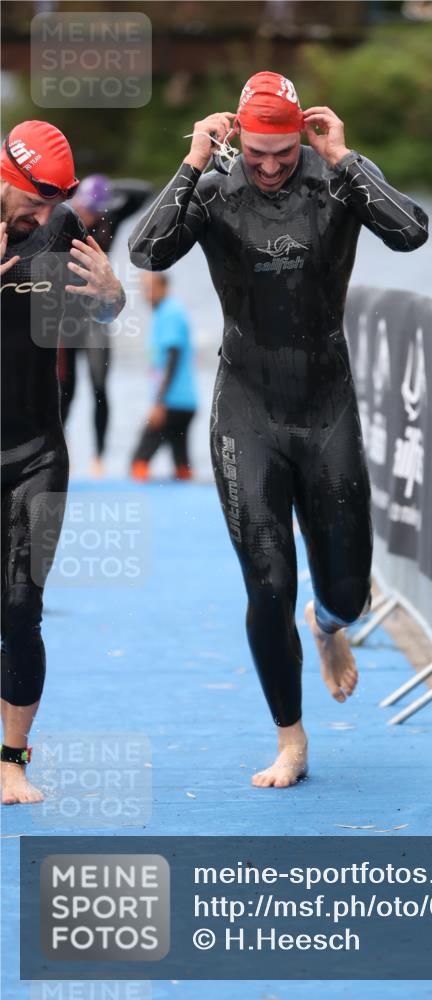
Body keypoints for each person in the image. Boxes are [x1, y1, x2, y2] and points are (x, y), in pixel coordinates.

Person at [129, 71, 429, 788]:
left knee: (349, 592)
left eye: (282, 153)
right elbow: (146, 253)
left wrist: (347, 158)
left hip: (326, 407)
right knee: (265, 586)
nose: (267, 167)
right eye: (255, 152)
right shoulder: (211, 189)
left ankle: (326, 629)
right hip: (248, 411)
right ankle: (290, 740)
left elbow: (412, 232)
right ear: (236, 134)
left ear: (304, 135)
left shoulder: (338, 182)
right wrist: (194, 159)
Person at [1, 121, 125, 804]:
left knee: (21, 608)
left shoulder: (66, 228)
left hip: (38, 453)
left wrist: (112, 296)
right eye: (34, 200)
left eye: (57, 202)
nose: (45, 217)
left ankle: (11, 758)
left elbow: (106, 312)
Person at [58, 174, 153, 477]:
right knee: (66, 389)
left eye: (93, 208)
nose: (89, 214)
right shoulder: (63, 219)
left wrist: (103, 187)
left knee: (100, 387)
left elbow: (144, 190)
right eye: (85, 206)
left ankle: (99, 458)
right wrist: (74, 194)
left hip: (96, 315)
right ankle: (62, 448)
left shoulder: (107, 218)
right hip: (65, 317)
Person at [130, 271, 198, 481]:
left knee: (139, 461)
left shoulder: (170, 313)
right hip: (182, 402)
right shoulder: (164, 312)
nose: (146, 293)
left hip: (172, 402)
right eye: (143, 288)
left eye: (150, 288)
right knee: (181, 462)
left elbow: (173, 359)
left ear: (164, 287)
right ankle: (188, 498)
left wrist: (159, 402)